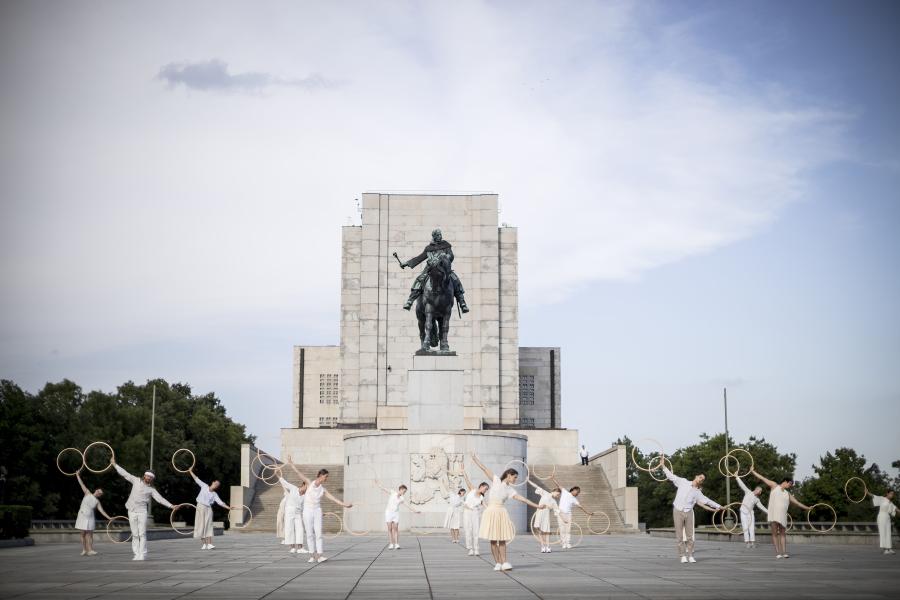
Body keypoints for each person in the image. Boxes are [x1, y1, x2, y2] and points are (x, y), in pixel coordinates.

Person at [471, 452, 547, 571]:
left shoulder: (510, 490)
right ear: (508, 475)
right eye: (514, 477)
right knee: (493, 540)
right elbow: (484, 469)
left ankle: (504, 562)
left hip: (501, 512)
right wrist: (475, 459)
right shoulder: (496, 480)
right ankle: (497, 563)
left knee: (502, 539)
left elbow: (523, 499)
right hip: (491, 511)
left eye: (516, 478)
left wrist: (537, 506)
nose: (515, 479)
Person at [286, 458, 353, 563]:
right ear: (321, 475)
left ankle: (320, 556)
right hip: (307, 511)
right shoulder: (309, 483)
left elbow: (334, 499)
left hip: (317, 511)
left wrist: (345, 505)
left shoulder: (323, 490)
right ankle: (312, 556)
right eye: (326, 476)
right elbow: (299, 474)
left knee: (318, 533)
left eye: (327, 477)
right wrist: (291, 464)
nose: (326, 479)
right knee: (309, 534)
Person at [112, 458, 176, 561]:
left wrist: (171, 506)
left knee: (142, 533)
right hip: (131, 510)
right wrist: (115, 464)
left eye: (151, 477)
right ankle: (136, 554)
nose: (148, 478)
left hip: (142, 511)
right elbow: (125, 474)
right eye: (147, 476)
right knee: (135, 534)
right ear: (144, 475)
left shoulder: (152, 489)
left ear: (152, 479)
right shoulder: (136, 480)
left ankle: (142, 554)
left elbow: (160, 499)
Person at [660, 457, 722, 563]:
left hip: (688, 512)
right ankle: (682, 556)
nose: (701, 479)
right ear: (696, 476)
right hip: (677, 510)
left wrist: (719, 506)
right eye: (700, 477)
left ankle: (690, 555)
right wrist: (663, 466)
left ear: (701, 482)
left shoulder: (697, 492)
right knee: (679, 536)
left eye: (703, 479)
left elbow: (707, 501)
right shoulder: (683, 482)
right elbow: (671, 476)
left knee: (690, 536)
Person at [399, 228, 469, 312]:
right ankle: (410, 301)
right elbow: (419, 258)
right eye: (438, 235)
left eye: (440, 235)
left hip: (444, 269)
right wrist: (406, 263)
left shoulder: (446, 245)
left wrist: (446, 256)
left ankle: (462, 303)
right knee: (419, 280)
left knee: (455, 279)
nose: (440, 236)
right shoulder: (429, 248)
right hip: (430, 269)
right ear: (434, 237)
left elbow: (451, 255)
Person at [750, 469, 811, 559]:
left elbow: (797, 503)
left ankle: (784, 552)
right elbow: (762, 478)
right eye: (790, 483)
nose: (790, 486)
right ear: (785, 481)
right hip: (774, 515)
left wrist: (807, 508)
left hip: (783, 516)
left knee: (783, 534)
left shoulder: (787, 494)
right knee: (775, 533)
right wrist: (753, 471)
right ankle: (778, 553)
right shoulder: (774, 486)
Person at [189, 469, 232, 550]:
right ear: (212, 482)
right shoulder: (204, 486)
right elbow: (196, 479)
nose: (216, 485)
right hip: (200, 507)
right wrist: (190, 471)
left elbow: (220, 503)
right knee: (200, 525)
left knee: (208, 526)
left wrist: (229, 507)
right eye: (216, 483)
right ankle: (204, 544)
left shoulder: (214, 494)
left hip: (208, 509)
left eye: (217, 485)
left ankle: (209, 544)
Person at [550, 474, 594, 549]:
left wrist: (588, 513)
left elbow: (581, 507)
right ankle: (563, 543)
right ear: (573, 490)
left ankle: (567, 543)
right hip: (560, 513)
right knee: (562, 528)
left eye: (579, 492)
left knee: (568, 529)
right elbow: (558, 485)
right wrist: (552, 478)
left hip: (568, 515)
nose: (578, 493)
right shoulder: (565, 492)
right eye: (577, 491)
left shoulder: (574, 499)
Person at [375, 479, 421, 550]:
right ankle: (391, 544)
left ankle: (396, 544)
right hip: (388, 513)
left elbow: (408, 505)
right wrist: (378, 484)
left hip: (396, 513)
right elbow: (383, 488)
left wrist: (415, 511)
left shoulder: (402, 498)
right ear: (401, 489)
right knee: (389, 528)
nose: (404, 493)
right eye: (404, 491)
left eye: (405, 492)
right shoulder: (393, 492)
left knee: (396, 528)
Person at [74, 472, 111, 556]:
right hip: (82, 516)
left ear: (100, 495)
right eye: (99, 491)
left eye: (100, 493)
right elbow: (81, 484)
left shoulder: (97, 501)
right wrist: (77, 475)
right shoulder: (87, 493)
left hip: (90, 518)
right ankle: (84, 549)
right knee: (82, 533)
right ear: (96, 490)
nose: (99, 492)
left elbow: (102, 511)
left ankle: (90, 550)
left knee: (90, 534)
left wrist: (109, 517)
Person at [278, 470, 308, 555]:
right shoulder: (294, 488)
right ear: (304, 485)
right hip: (289, 511)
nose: (307, 490)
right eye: (307, 487)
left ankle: (300, 548)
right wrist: (277, 474)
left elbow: (306, 507)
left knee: (300, 529)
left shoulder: (305, 496)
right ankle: (292, 547)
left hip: (298, 513)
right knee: (289, 528)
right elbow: (284, 483)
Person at [526, 479, 560, 553]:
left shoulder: (554, 501)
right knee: (540, 530)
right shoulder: (545, 493)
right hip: (539, 513)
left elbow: (557, 511)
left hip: (546, 516)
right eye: (557, 494)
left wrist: (563, 519)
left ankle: (548, 546)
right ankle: (543, 546)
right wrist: (528, 481)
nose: (557, 496)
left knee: (546, 532)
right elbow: (536, 486)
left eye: (558, 495)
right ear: (555, 491)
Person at [460, 470, 489, 556]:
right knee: (468, 530)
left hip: (475, 513)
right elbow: (467, 480)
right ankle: (470, 549)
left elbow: (486, 506)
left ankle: (476, 549)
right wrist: (463, 471)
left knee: (476, 531)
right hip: (467, 512)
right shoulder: (472, 490)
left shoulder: (481, 498)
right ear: (481, 486)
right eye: (485, 489)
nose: (486, 491)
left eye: (487, 490)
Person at [735, 475, 768, 548]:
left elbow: (762, 507)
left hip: (750, 513)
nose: (760, 492)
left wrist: (769, 512)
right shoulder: (748, 492)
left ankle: (752, 542)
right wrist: (737, 477)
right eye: (760, 491)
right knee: (745, 527)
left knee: (751, 527)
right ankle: (747, 542)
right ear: (756, 489)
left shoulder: (757, 499)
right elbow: (742, 485)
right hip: (743, 512)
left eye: (761, 492)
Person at [871, 490, 896, 555]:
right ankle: (885, 549)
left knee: (888, 533)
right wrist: (867, 492)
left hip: (887, 517)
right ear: (887, 493)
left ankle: (889, 548)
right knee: (883, 532)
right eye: (891, 493)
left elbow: (895, 509)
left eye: (893, 494)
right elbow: (874, 496)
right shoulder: (882, 499)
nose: (892, 495)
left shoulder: (891, 502)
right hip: (881, 516)